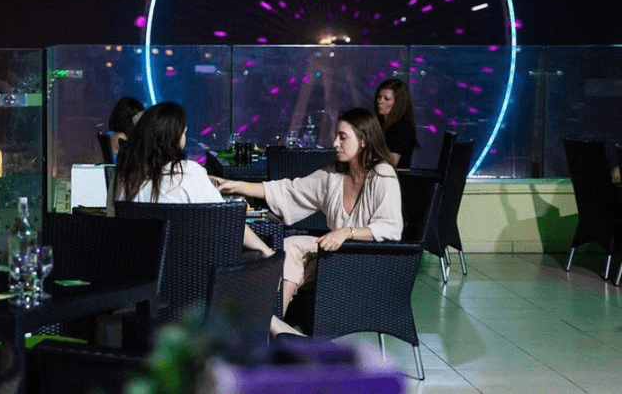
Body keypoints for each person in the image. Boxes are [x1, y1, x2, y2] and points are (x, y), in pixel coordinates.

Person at [211, 108, 403, 337]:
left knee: (291, 251)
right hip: (334, 255)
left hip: (368, 262)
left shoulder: (382, 175)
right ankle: (274, 326)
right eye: (335, 136)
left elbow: (391, 228)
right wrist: (233, 185)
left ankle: (266, 327)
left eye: (343, 137)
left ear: (363, 141)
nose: (335, 142)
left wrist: (347, 233)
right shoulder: (333, 177)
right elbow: (288, 190)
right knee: (289, 246)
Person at [112, 102, 274, 256]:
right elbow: (227, 221)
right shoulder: (189, 173)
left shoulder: (127, 177)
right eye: (184, 132)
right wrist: (266, 251)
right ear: (174, 138)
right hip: (193, 272)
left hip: (140, 274)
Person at [374, 78, 418, 169]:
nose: (380, 101)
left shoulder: (402, 128)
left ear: (398, 102)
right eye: (379, 97)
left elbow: (390, 163)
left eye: (386, 99)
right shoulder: (380, 124)